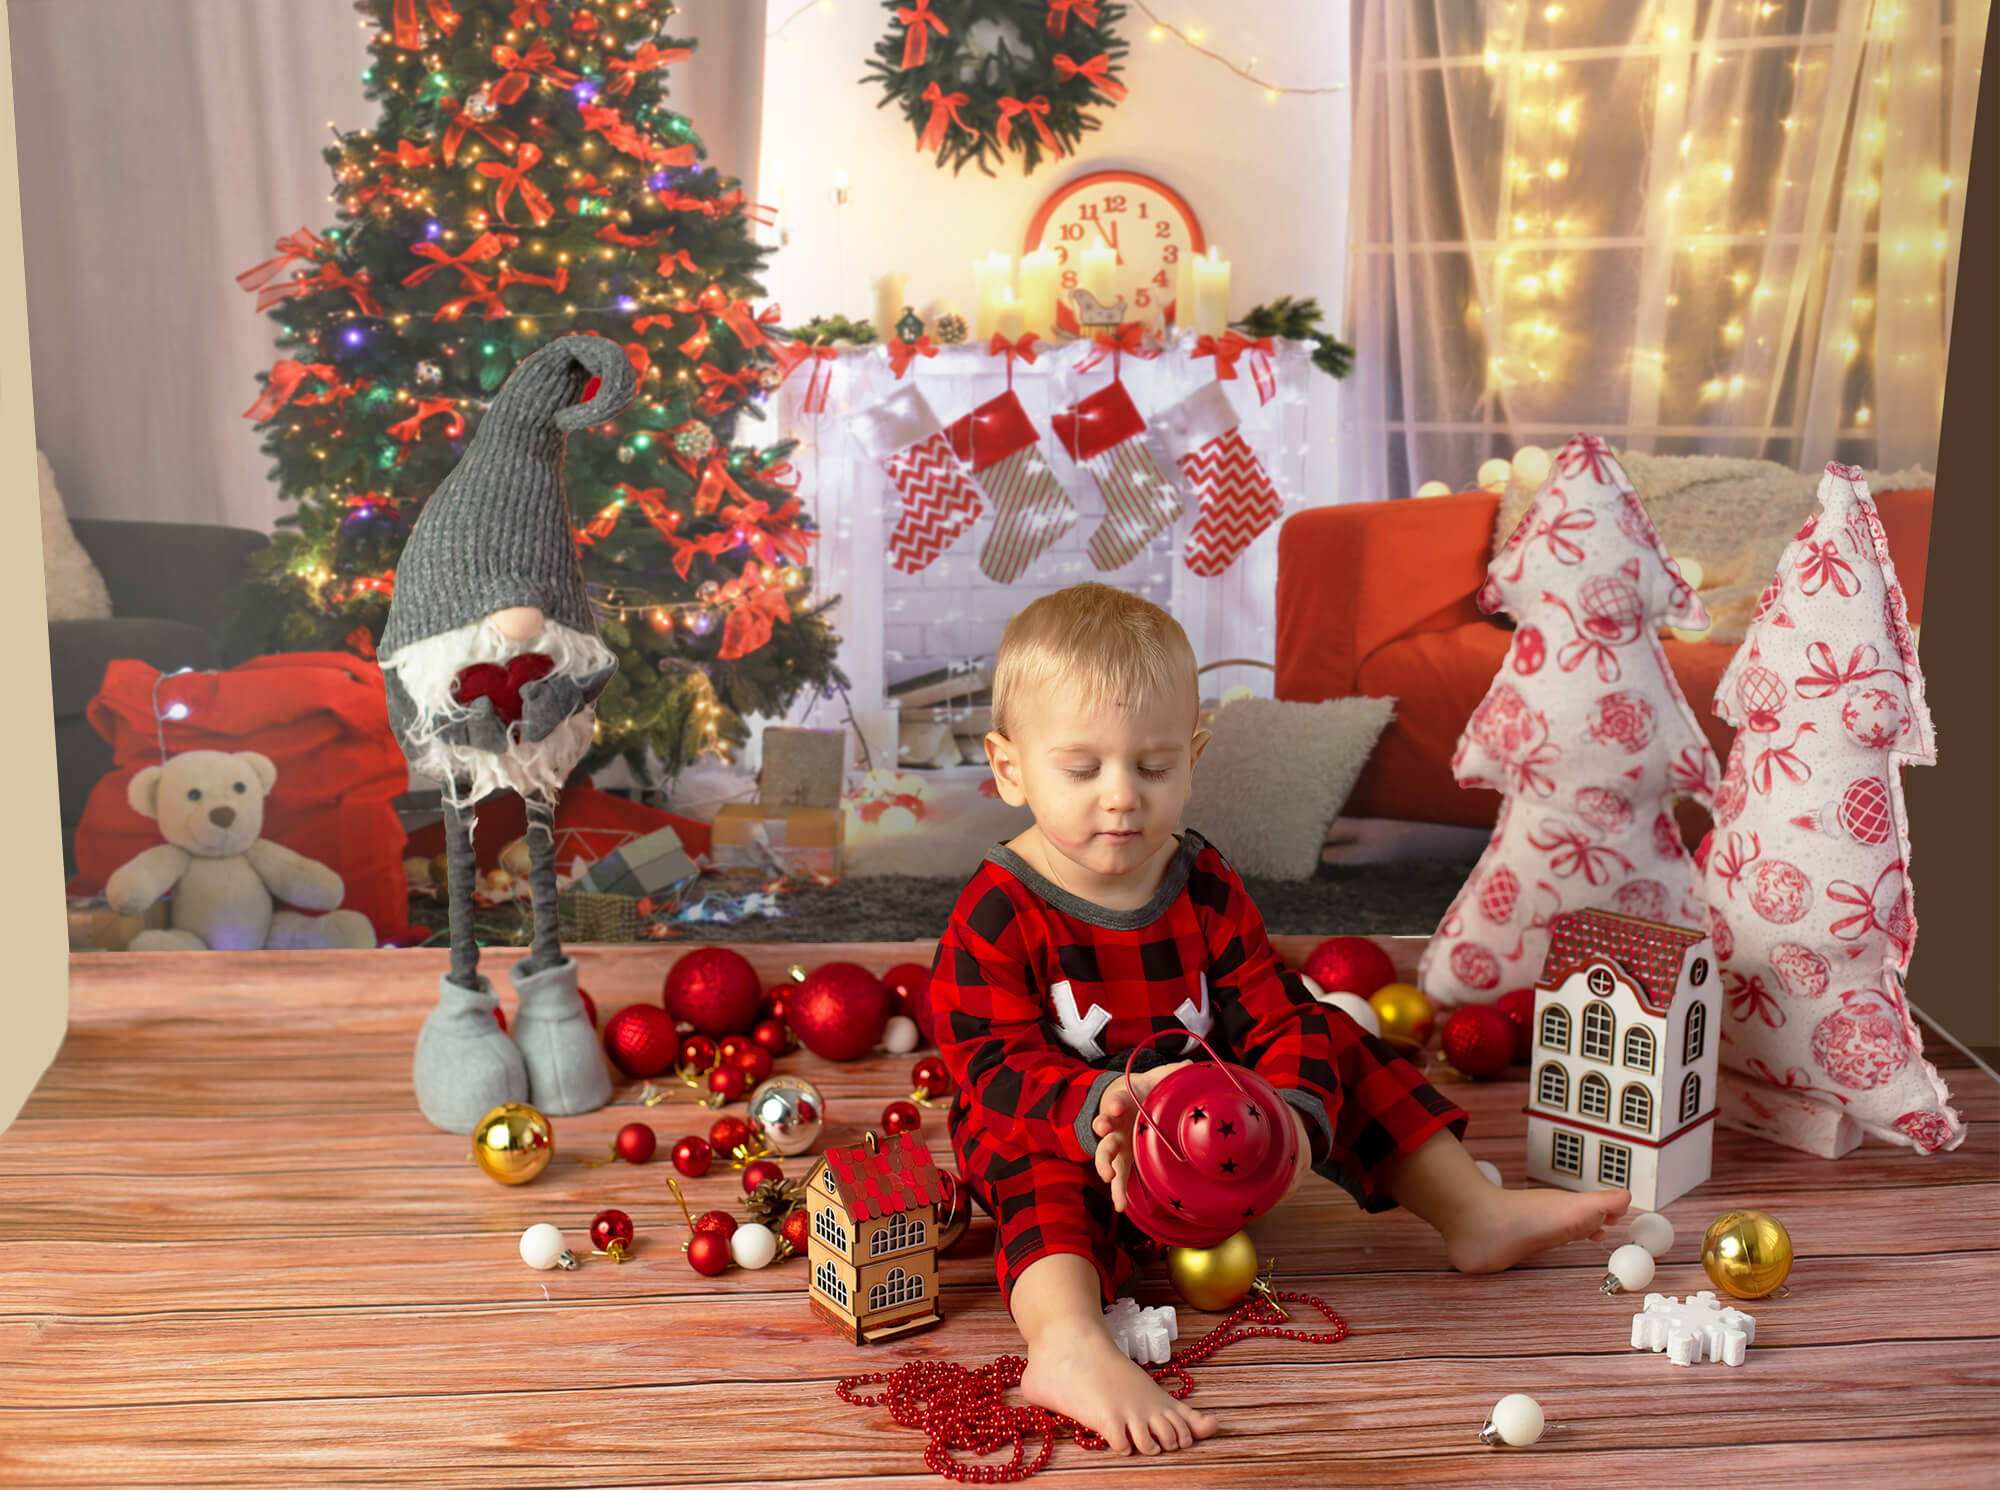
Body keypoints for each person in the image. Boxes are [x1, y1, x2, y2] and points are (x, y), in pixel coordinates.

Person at [926, 583, 1629, 1457]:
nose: (1121, 800)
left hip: (1219, 1137)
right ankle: (1065, 1343)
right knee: (1028, 1165)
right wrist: (1104, 1100)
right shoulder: (998, 913)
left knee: (1330, 1032)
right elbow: (987, 1069)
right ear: (1009, 768)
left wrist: (1291, 1110)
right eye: (1082, 770)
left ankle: (1470, 1211)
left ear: (1193, 757)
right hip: (1083, 1139)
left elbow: (1270, 1004)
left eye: (1152, 768)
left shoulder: (1203, 880)